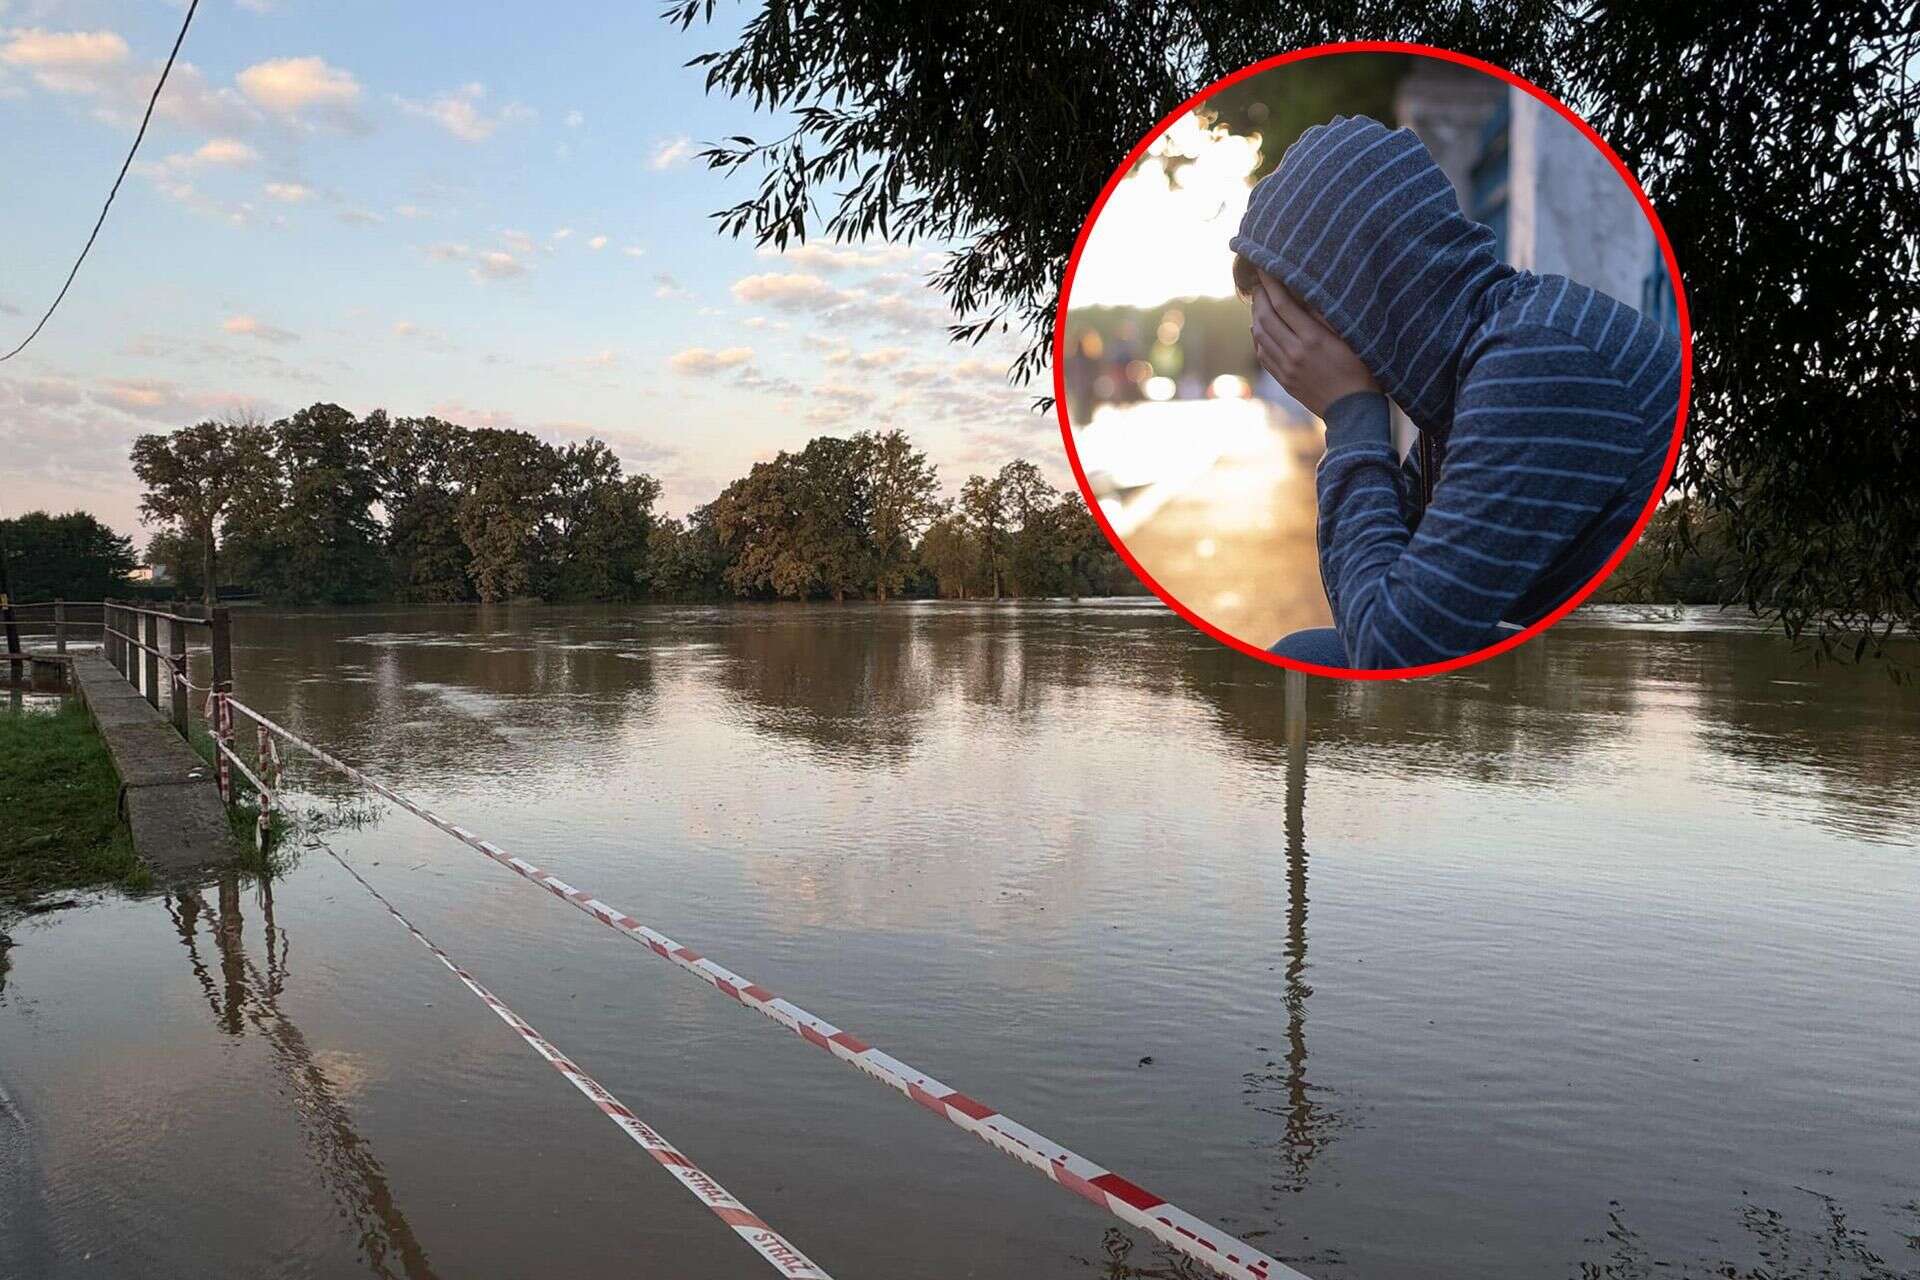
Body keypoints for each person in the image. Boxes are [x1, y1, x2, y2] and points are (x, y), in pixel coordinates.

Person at [1229, 114, 1681, 670]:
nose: (1285, 350)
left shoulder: (1539, 359)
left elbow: (1389, 653)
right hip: (1568, 668)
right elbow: (1382, 597)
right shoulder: (1473, 370)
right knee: (1304, 659)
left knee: (1306, 663)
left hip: (1625, 684)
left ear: (1348, 287)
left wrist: (1350, 416)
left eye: (1289, 318)